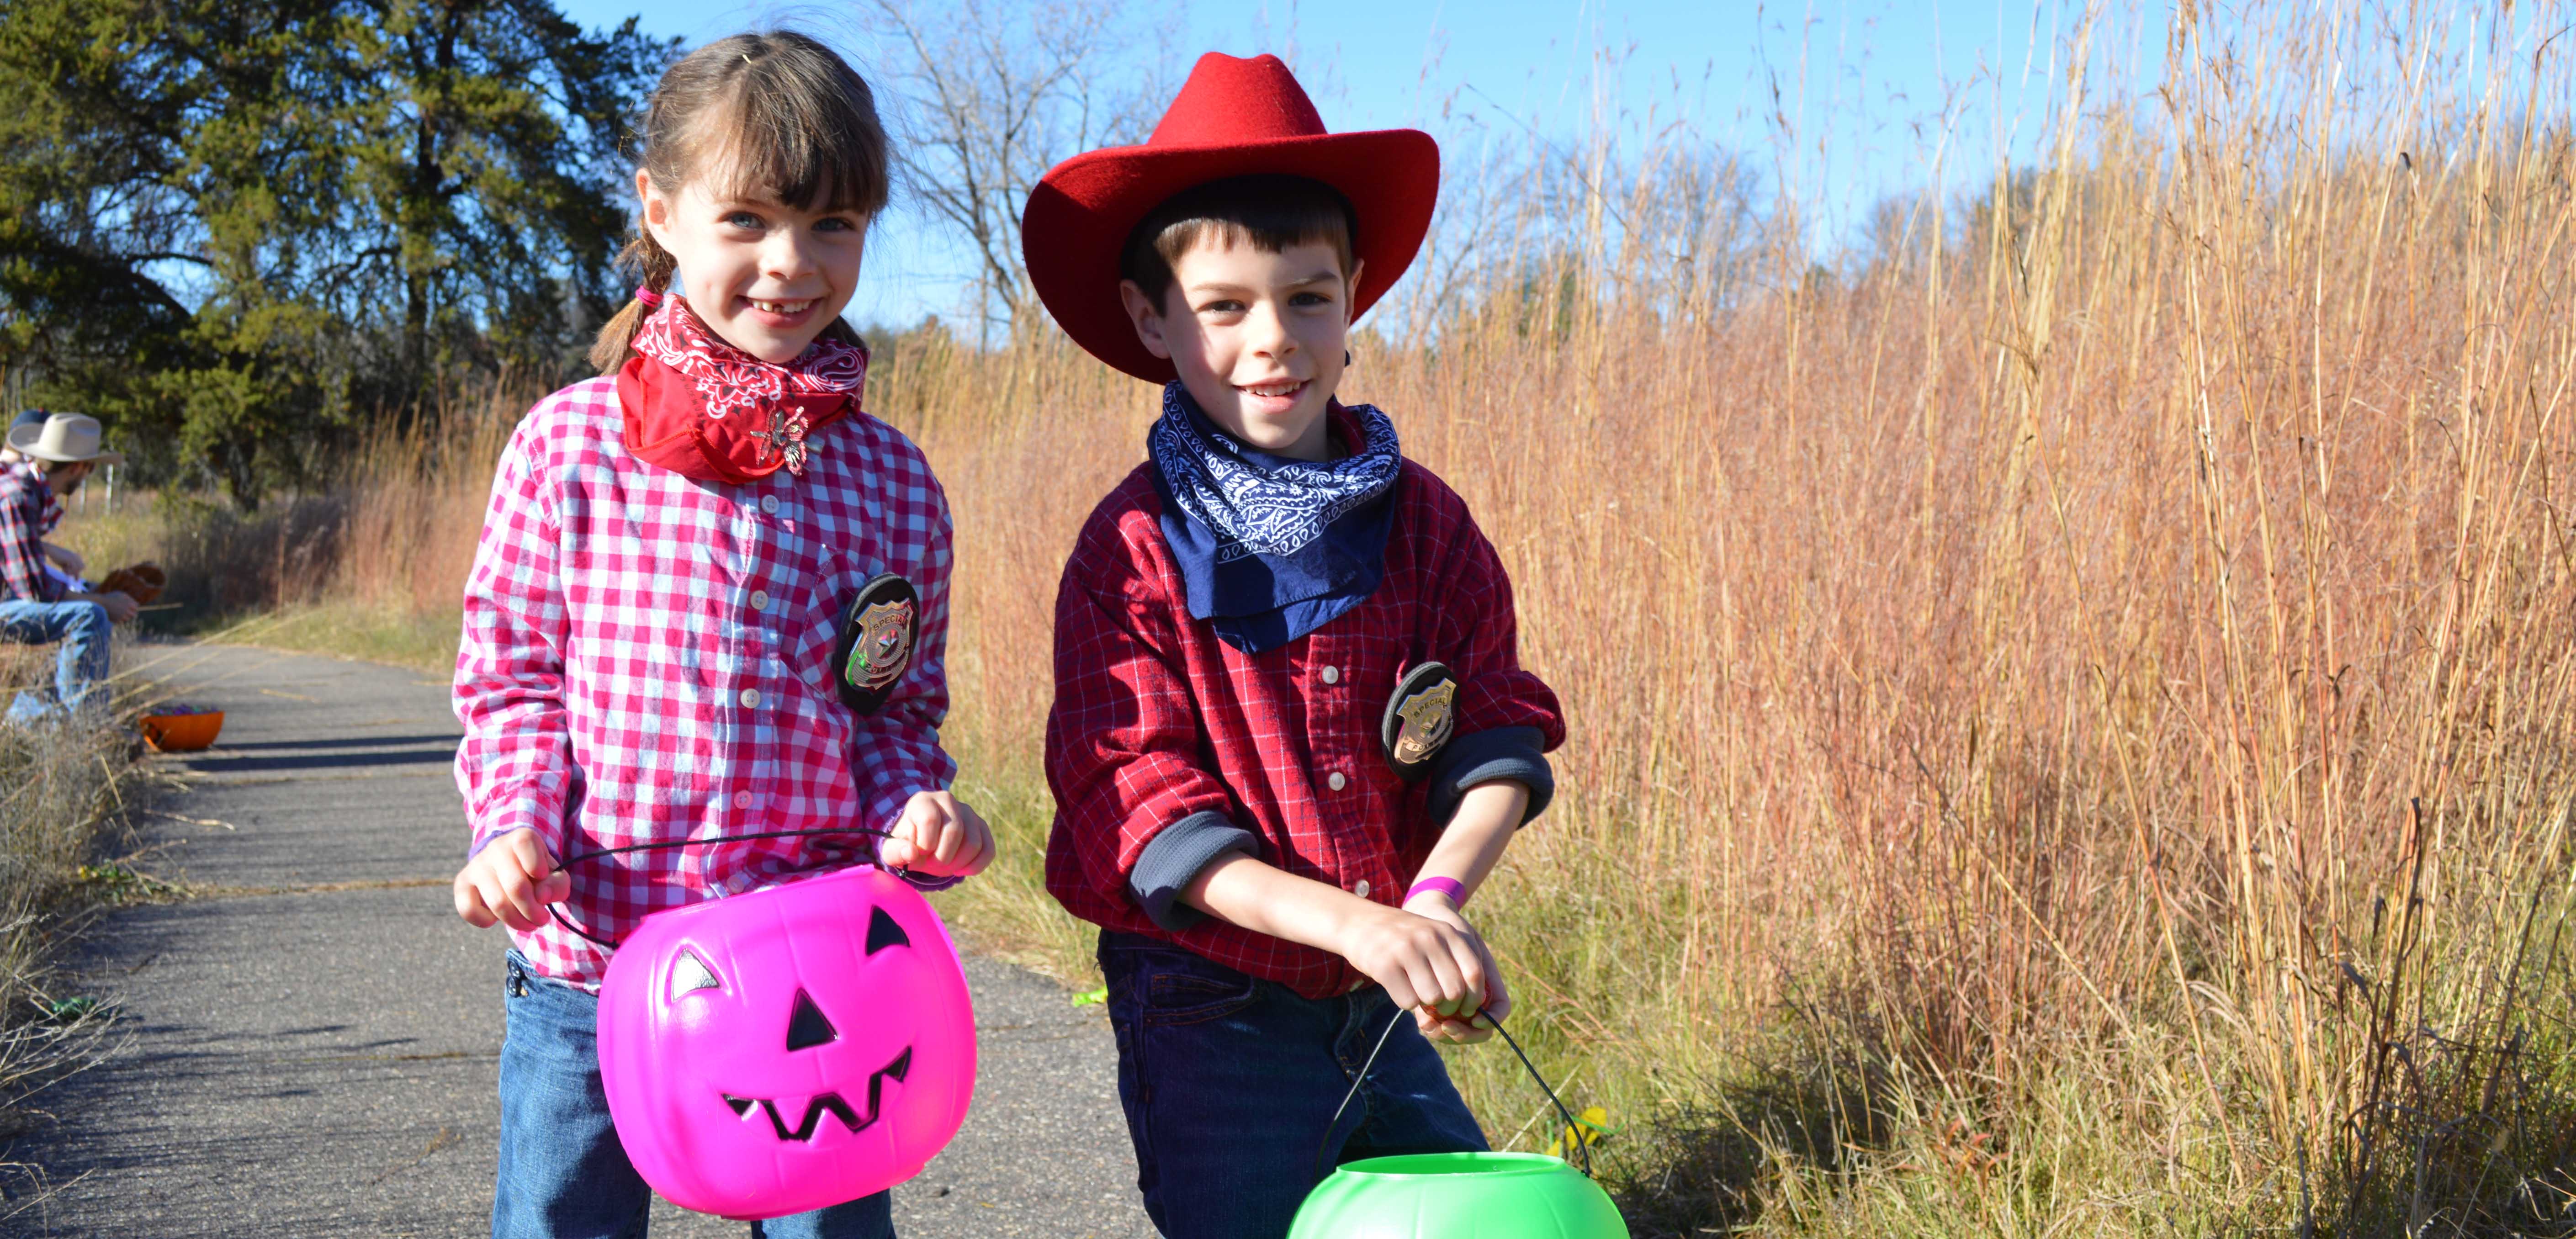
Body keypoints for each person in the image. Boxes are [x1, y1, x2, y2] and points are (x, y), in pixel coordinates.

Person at [449, 31, 994, 1239]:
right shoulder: (570, 445)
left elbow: (892, 708)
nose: (791, 265)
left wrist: (915, 809)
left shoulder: (890, 481)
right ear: (660, 210)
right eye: (745, 219)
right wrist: (513, 825)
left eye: (834, 224)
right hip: (589, 957)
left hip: (814, 971)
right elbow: (515, 677)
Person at [1026, 53, 1568, 1238]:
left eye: (1306, 296)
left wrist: (1431, 903)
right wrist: (1358, 926)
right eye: (1224, 307)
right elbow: (1140, 805)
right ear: (1150, 318)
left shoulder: (1425, 524)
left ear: (1355, 293)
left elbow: (1492, 728)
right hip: (1205, 999)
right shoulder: (1130, 552)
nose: (1272, 339)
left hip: (1374, 986)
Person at [1, 412, 139, 724]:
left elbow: (29, 573)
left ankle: (28, 718)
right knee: (89, 615)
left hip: (8, 602)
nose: (88, 475)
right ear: (79, 467)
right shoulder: (17, 496)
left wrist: (95, 592)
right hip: (6, 606)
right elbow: (37, 592)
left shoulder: (27, 493)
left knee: (87, 610)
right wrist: (104, 603)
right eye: (91, 468)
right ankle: (88, 729)